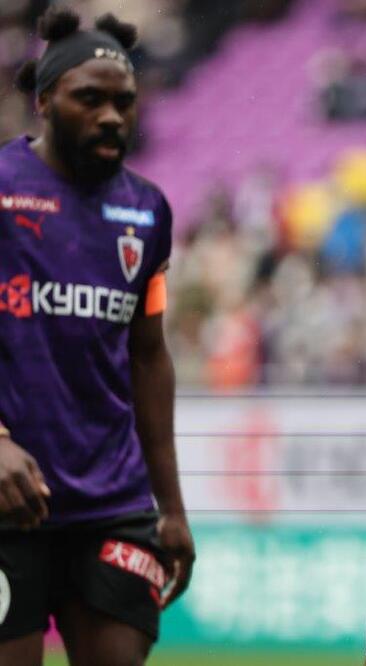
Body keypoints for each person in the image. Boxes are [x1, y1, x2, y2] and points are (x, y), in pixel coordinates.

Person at [0, 8, 194, 665]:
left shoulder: (146, 210)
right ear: (44, 100)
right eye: (90, 99)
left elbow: (148, 355)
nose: (112, 116)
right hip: (8, 498)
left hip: (113, 503)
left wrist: (172, 506)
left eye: (124, 102)